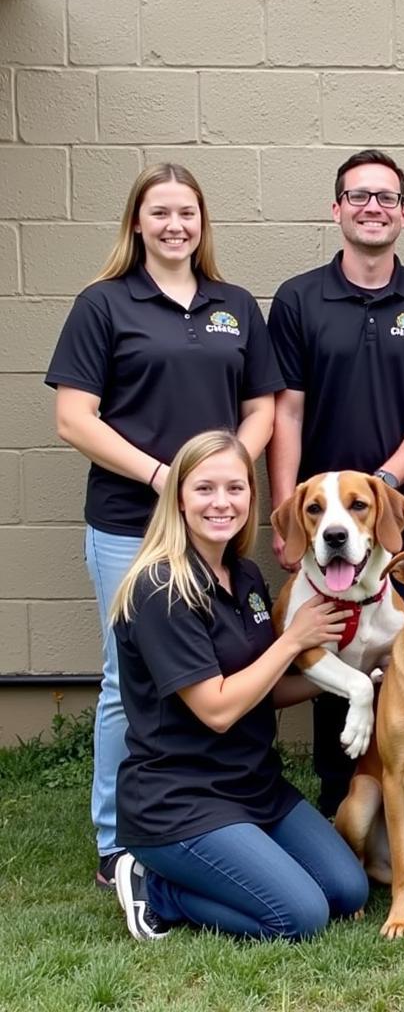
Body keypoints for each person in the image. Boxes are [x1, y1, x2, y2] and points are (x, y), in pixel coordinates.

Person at [44, 164, 282, 890]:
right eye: (160, 212)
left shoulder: (234, 305)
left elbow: (264, 408)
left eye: (188, 212)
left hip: (217, 523)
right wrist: (164, 479)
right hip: (129, 519)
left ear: (202, 223)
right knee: (128, 681)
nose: (175, 224)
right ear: (137, 224)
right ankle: (120, 845)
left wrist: (223, 481)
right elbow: (72, 418)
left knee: (229, 658)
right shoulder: (104, 304)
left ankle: (219, 810)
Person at [267, 149, 404, 816]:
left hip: (395, 517)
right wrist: (288, 510)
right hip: (321, 518)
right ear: (337, 210)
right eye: (358, 196)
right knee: (332, 639)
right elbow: (286, 409)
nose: (371, 206)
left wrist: (378, 491)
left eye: (385, 197)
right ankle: (339, 795)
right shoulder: (298, 298)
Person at [109, 431, 368, 942]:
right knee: (300, 916)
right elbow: (219, 709)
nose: (222, 502)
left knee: (348, 890)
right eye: (204, 489)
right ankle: (156, 887)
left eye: (235, 488)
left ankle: (236, 859)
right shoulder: (161, 588)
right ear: (179, 499)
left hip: (254, 787)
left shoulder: (244, 575)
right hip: (182, 799)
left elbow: (262, 688)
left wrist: (353, 680)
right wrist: (294, 640)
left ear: (252, 497)